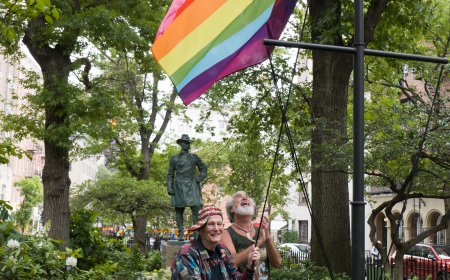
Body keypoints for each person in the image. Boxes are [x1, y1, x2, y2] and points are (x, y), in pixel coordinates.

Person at [171, 205, 260, 280]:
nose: (216, 229)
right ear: (200, 229)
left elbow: (236, 277)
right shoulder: (188, 253)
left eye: (219, 224)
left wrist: (250, 266)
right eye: (211, 224)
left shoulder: (222, 249)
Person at [221, 191, 281, 279]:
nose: (245, 198)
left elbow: (277, 263)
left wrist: (268, 237)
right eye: (239, 196)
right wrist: (259, 242)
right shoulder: (226, 233)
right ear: (232, 209)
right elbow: (231, 262)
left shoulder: (262, 231)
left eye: (247, 196)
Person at [167, 134, 207, 240]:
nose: (185, 145)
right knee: (179, 210)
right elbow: (170, 174)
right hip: (179, 186)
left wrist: (198, 179)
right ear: (180, 144)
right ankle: (180, 233)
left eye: (187, 143)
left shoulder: (194, 157)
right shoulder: (174, 158)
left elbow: (204, 169)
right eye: (183, 143)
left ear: (189, 145)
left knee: (196, 208)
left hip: (192, 185)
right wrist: (169, 187)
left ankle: (196, 234)